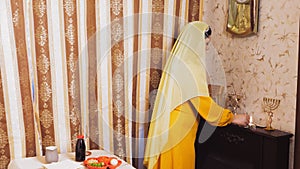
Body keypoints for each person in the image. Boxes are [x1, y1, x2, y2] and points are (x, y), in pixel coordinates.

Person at [143, 21, 250, 169]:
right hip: (178, 133)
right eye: (205, 44)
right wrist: (232, 117)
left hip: (171, 128)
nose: (206, 49)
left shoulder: (179, 62)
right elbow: (202, 103)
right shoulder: (191, 66)